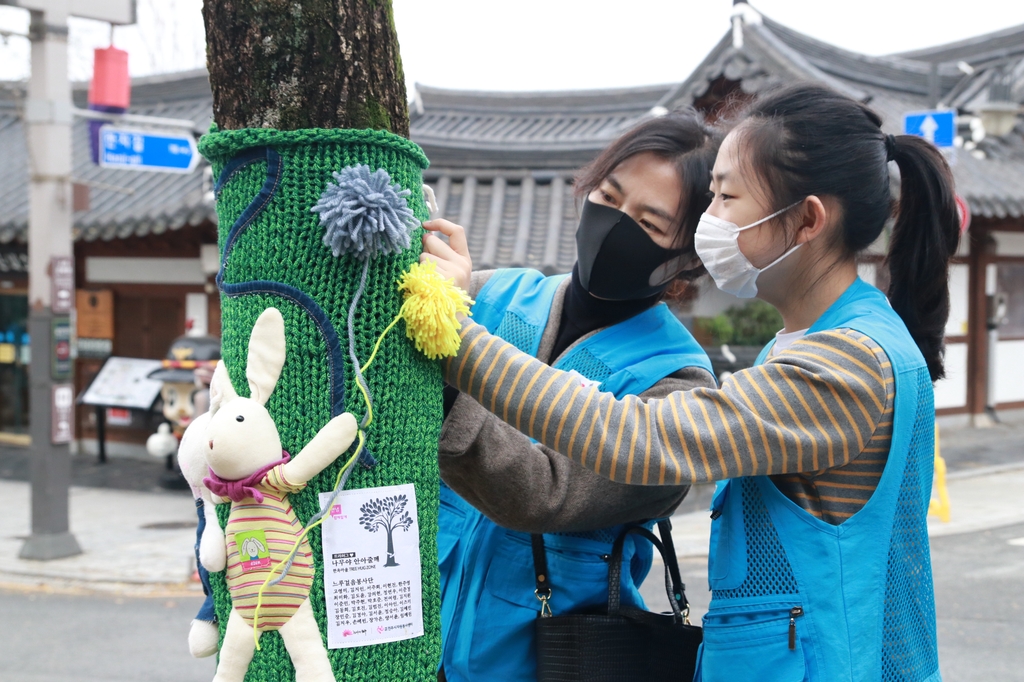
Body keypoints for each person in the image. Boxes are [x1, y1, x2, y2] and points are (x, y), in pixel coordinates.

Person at [424, 82, 958, 681]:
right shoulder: (816, 344)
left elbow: (637, 438)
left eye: (727, 197)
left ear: (806, 220)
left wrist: (451, 334)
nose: (711, 221)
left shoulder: (847, 363)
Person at [427, 112, 721, 682]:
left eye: (649, 222)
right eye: (609, 196)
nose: (615, 225)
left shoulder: (676, 385)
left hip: (547, 663)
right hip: (409, 645)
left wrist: (448, 359)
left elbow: (544, 494)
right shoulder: (490, 294)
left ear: (687, 257)